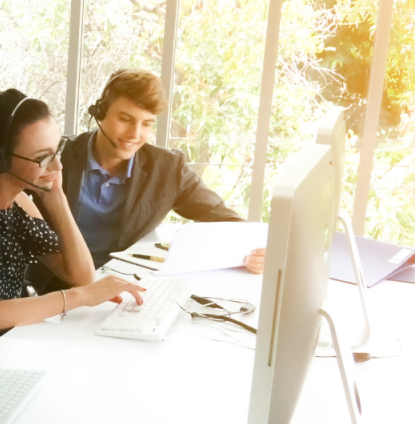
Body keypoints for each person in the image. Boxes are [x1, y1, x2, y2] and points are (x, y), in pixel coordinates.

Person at [0, 89, 146, 388]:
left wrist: (56, 198)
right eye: (42, 158)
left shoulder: (19, 201)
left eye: (56, 151)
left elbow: (82, 275)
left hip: (4, 354)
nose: (57, 166)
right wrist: (79, 298)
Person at [44, 68, 266, 277]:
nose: (135, 134)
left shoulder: (167, 168)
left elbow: (223, 217)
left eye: (147, 124)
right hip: (55, 283)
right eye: (125, 119)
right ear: (100, 113)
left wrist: (259, 252)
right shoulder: (57, 157)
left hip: (126, 286)